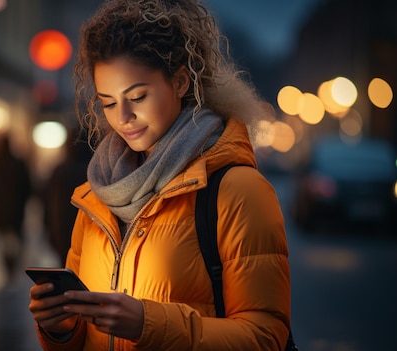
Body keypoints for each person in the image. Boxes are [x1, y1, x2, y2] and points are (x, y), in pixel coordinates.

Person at [27, 0, 293, 350]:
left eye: (137, 96)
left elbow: (265, 338)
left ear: (181, 81)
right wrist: (60, 327)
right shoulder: (96, 196)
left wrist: (147, 324)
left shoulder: (239, 190)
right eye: (108, 102)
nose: (123, 117)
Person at [0, 135, 32, 281]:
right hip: (16, 212)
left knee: (3, 243)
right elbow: (28, 187)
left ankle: (7, 266)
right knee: (14, 243)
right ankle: (11, 268)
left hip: (0, 213)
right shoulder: (18, 163)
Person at [42, 130, 93, 265]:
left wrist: (49, 228)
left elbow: (48, 203)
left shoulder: (60, 170)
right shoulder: (94, 172)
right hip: (88, 233)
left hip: (62, 229)